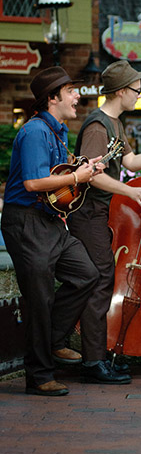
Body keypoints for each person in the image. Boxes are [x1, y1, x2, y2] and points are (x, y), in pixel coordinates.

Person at [1, 66, 102, 396]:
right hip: (26, 222)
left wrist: (83, 169)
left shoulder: (57, 132)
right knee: (40, 298)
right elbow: (33, 183)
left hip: (49, 221)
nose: (77, 97)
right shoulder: (34, 132)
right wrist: (78, 178)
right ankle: (40, 376)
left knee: (87, 274)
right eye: (71, 91)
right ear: (52, 98)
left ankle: (54, 339)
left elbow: (56, 180)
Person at [67, 60, 141, 385]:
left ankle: (97, 356)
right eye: (136, 90)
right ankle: (93, 362)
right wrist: (129, 193)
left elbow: (130, 161)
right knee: (101, 280)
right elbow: (92, 175)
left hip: (101, 215)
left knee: (101, 279)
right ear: (121, 91)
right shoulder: (98, 126)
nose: (139, 94)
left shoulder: (116, 124)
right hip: (89, 215)